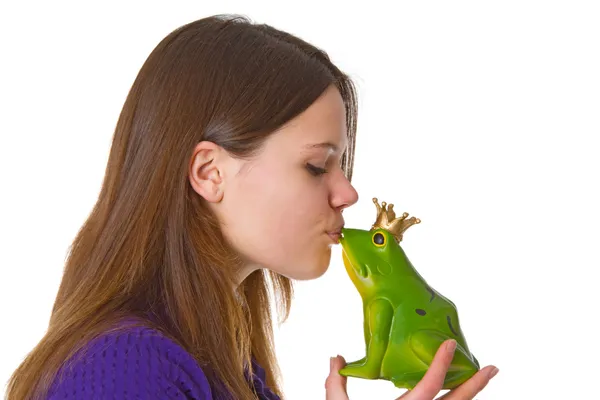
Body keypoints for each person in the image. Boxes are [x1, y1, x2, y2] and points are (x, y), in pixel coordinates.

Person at [5, 14, 498, 400]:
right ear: (208, 173)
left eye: (342, 165)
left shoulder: (228, 365)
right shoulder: (125, 368)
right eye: (316, 165)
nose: (348, 194)